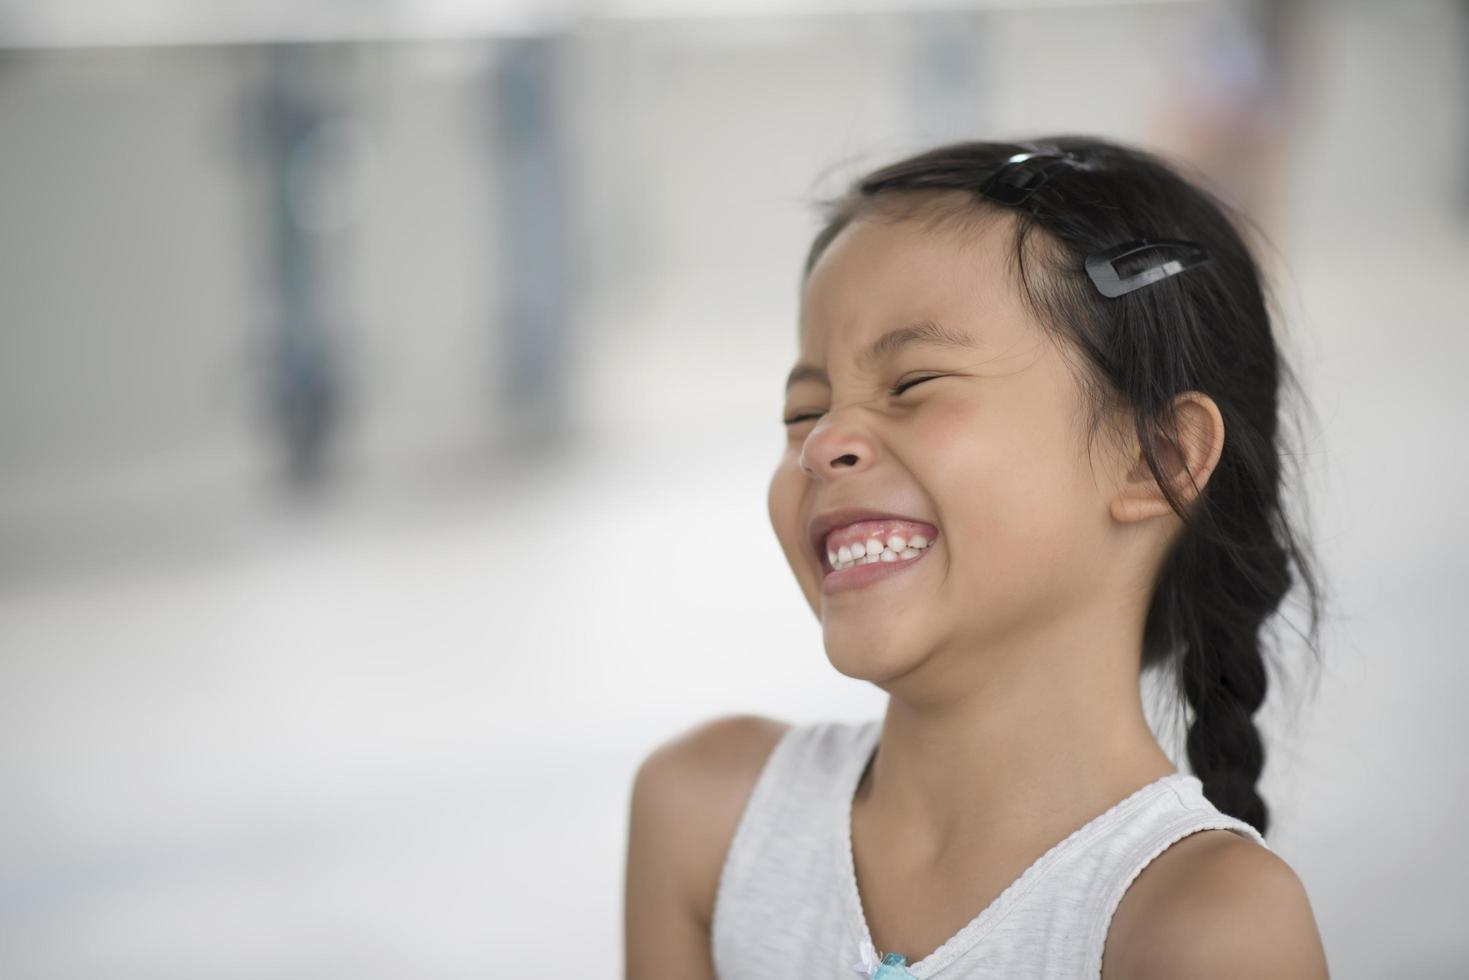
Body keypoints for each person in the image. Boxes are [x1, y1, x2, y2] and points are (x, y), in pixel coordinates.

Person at [624, 136, 1330, 979]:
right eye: (803, 410)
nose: (824, 444)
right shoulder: (706, 816)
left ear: (1158, 459)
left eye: (912, 384)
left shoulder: (1202, 926)